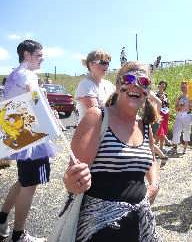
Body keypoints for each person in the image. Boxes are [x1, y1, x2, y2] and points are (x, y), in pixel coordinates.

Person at [63, 61, 161, 242]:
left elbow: (152, 159)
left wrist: (154, 183)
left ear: (147, 91)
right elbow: (73, 176)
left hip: (139, 224)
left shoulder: (144, 125)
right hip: (100, 229)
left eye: (144, 82)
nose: (136, 85)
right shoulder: (97, 117)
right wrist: (72, 181)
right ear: (117, 85)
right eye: (130, 78)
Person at [0, 40, 55, 242]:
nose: (42, 59)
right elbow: (34, 95)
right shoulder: (27, 75)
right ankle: (19, 234)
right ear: (27, 54)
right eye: (39, 55)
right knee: (29, 185)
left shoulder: (15, 74)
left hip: (21, 134)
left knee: (23, 180)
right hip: (32, 137)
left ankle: (2, 218)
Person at [75, 50, 115, 123]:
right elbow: (96, 114)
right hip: (91, 131)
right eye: (103, 63)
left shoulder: (109, 84)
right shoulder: (85, 85)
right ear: (91, 64)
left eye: (107, 63)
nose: (106, 66)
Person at [171, 81, 192, 155]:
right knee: (176, 131)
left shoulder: (191, 96)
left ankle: (185, 147)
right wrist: (179, 106)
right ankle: (175, 147)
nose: (183, 88)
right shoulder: (179, 96)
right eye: (182, 87)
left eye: (184, 87)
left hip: (188, 115)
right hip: (179, 114)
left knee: (187, 131)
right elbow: (176, 107)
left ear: (187, 87)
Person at [155, 81, 170, 153]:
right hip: (158, 113)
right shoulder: (155, 95)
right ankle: (154, 146)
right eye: (161, 85)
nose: (162, 87)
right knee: (159, 130)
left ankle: (161, 147)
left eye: (164, 86)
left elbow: (167, 105)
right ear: (159, 86)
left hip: (166, 113)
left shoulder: (166, 95)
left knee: (163, 129)